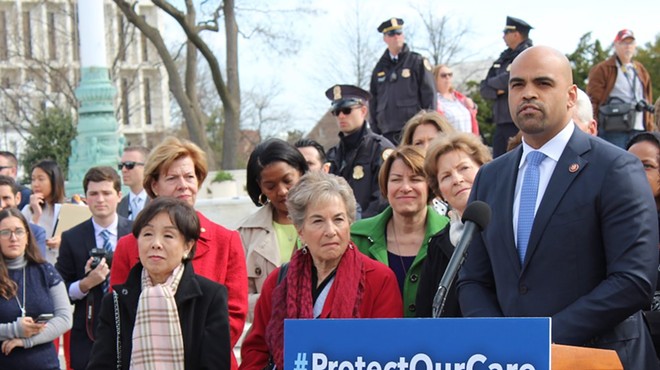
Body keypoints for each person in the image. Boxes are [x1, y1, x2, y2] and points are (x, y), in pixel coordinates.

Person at [458, 46, 659, 369]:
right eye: (517, 85)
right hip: (512, 359)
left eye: (543, 83)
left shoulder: (615, 168)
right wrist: (500, 337)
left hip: (598, 357)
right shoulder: (490, 177)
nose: (528, 94)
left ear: (570, 96)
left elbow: (633, 280)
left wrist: (543, 336)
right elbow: (473, 279)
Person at [239, 172, 402, 370]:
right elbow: (256, 350)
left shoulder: (378, 279)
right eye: (317, 221)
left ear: (350, 223)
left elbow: (388, 353)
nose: (331, 231)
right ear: (300, 229)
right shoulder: (279, 281)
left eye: (338, 219)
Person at [110, 136, 247, 369]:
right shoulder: (128, 245)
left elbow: (234, 315)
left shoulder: (226, 240)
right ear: (154, 185)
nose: (183, 185)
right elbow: (118, 313)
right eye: (172, 178)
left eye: (189, 177)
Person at [87, 197, 230, 369]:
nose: (156, 244)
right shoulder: (115, 301)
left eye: (168, 235)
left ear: (188, 246)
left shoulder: (210, 297)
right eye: (147, 234)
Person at [351, 146, 449, 317]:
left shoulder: (450, 236)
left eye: (415, 179)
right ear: (385, 186)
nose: (405, 187)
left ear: (430, 186)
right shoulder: (356, 237)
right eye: (396, 179)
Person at [55, 167, 132, 370]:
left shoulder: (138, 232)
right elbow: (58, 290)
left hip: (132, 326)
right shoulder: (71, 237)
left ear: (119, 196)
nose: (100, 199)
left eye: (106, 193)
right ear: (85, 198)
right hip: (88, 331)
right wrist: (85, 284)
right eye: (93, 194)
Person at [415, 132, 492, 317]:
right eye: (446, 176)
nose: (457, 179)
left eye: (464, 168)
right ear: (439, 191)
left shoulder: (509, 228)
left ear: (485, 169)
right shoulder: (438, 244)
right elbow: (425, 313)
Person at [238, 138, 308, 321]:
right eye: (271, 186)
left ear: (301, 173)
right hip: (268, 335)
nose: (282, 191)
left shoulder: (328, 222)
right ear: (259, 186)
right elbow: (238, 299)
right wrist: (278, 299)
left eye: (287, 181)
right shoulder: (246, 233)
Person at [0, 208, 72, 369]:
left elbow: (65, 319)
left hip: (45, 364)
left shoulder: (45, 270)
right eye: (5, 232)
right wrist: (14, 329)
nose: (13, 238)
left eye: (18, 231)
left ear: (27, 236)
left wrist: (26, 341)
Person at [325, 84, 394, 218]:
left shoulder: (380, 149)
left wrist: (359, 225)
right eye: (336, 111)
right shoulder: (333, 155)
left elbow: (384, 197)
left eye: (346, 110)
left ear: (363, 111)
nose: (341, 116)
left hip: (372, 229)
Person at [369, 17, 436, 144]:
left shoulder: (417, 62)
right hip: (387, 132)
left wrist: (429, 124)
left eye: (399, 33)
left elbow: (429, 95)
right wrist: (375, 131)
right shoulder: (379, 69)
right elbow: (373, 102)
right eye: (391, 34)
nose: (396, 37)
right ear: (385, 38)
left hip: (413, 129)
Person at [587, 29, 654, 149]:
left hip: (639, 126)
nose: (628, 47)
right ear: (616, 45)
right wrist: (592, 126)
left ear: (635, 46)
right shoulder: (603, 69)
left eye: (631, 43)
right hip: (614, 127)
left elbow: (647, 98)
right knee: (616, 163)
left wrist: (650, 124)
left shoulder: (640, 69)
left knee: (638, 163)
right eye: (624, 43)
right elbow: (593, 100)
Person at [480, 16, 533, 158]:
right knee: (499, 164)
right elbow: (484, 87)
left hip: (519, 121)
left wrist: (503, 84)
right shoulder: (503, 58)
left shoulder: (528, 55)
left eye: (506, 33)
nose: (503, 37)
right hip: (501, 120)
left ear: (516, 34)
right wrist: (500, 89)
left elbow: (509, 79)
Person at [506, 87, 598, 151]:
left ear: (591, 129)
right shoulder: (501, 170)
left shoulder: (608, 168)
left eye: (566, 126)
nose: (554, 134)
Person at [21, 159, 67, 264]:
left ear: (54, 181)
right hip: (37, 265)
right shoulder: (28, 210)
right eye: (33, 180)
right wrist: (36, 215)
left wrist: (64, 241)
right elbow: (23, 241)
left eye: (41, 179)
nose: (35, 184)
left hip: (63, 268)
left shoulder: (69, 209)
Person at [0, 175, 47, 257]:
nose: (2, 204)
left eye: (6, 198)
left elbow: (38, 264)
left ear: (18, 198)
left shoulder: (36, 233)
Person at [433, 65, 479, 135]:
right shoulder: (434, 101)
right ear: (435, 79)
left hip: (469, 142)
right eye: (443, 75)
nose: (447, 77)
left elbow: (473, 116)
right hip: (451, 143)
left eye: (450, 75)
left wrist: (473, 107)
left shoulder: (460, 98)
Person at [117, 146, 150, 221]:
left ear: (147, 167)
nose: (123, 170)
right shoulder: (118, 206)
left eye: (129, 165)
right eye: (121, 166)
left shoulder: (161, 202)